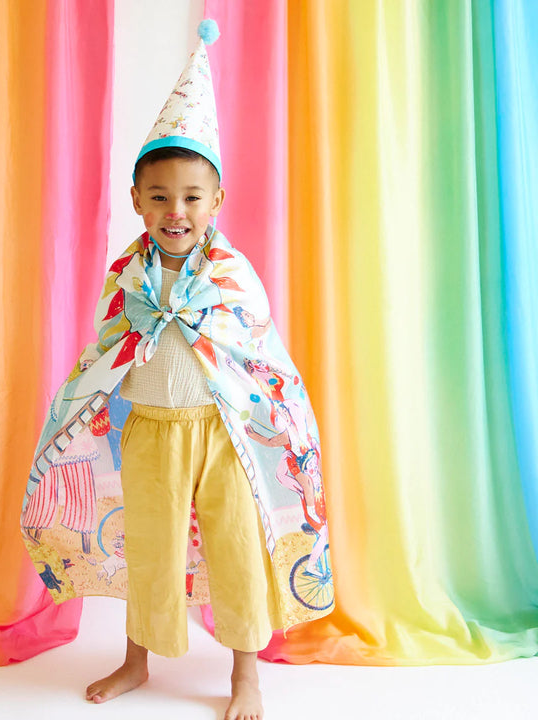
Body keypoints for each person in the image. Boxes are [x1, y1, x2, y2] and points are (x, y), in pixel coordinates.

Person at [21, 20, 333, 720]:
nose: (176, 211)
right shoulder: (125, 274)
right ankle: (138, 659)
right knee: (150, 549)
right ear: (136, 200)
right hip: (151, 431)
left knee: (236, 547)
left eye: (192, 196)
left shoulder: (231, 274)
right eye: (159, 196)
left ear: (216, 202)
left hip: (222, 433)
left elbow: (258, 352)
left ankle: (245, 673)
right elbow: (106, 347)